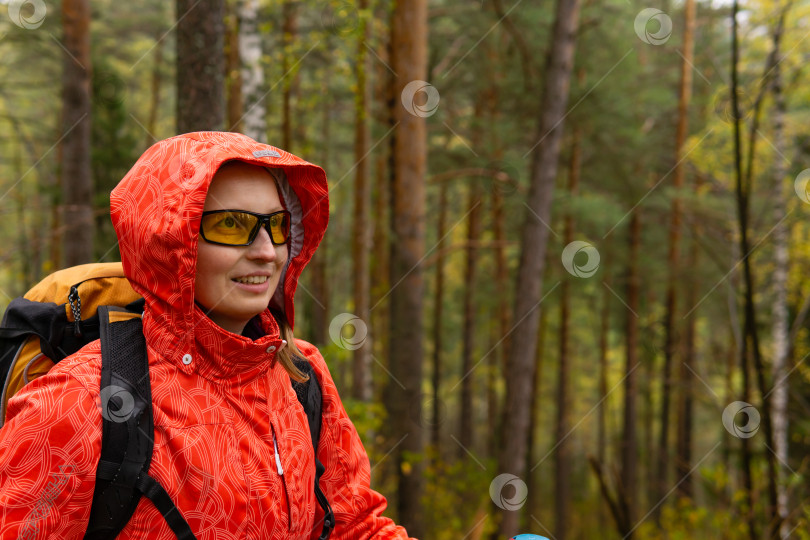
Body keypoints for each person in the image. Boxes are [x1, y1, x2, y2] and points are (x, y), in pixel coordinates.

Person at [0, 131, 414, 539]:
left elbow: (354, 526)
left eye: (277, 224)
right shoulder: (74, 403)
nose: (267, 251)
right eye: (233, 225)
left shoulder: (301, 376)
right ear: (169, 240)